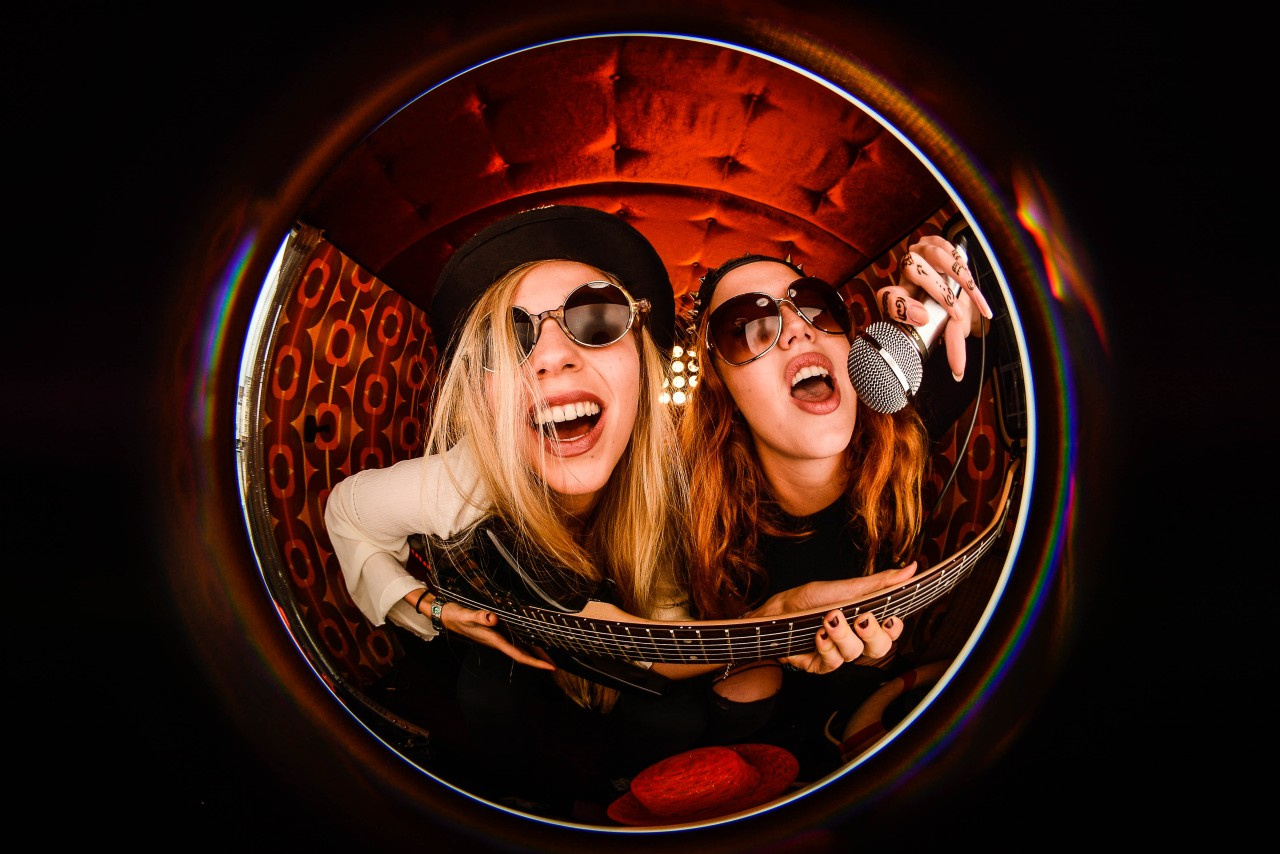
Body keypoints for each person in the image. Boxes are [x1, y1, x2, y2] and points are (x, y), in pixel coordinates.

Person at [321, 204, 884, 817]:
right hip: (503, 660)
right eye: (510, 336)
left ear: (642, 360)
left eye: (597, 318)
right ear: (481, 391)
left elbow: (654, 648)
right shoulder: (455, 485)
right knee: (488, 695)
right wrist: (426, 606)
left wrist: (770, 623)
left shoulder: (672, 492)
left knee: (669, 721)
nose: (552, 357)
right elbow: (346, 511)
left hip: (604, 664)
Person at [678, 233, 993, 773]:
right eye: (747, 327)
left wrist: (965, 290)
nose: (798, 327)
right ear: (722, 390)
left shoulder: (908, 421)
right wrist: (760, 633)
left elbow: (1005, 315)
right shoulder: (683, 505)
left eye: (815, 305)